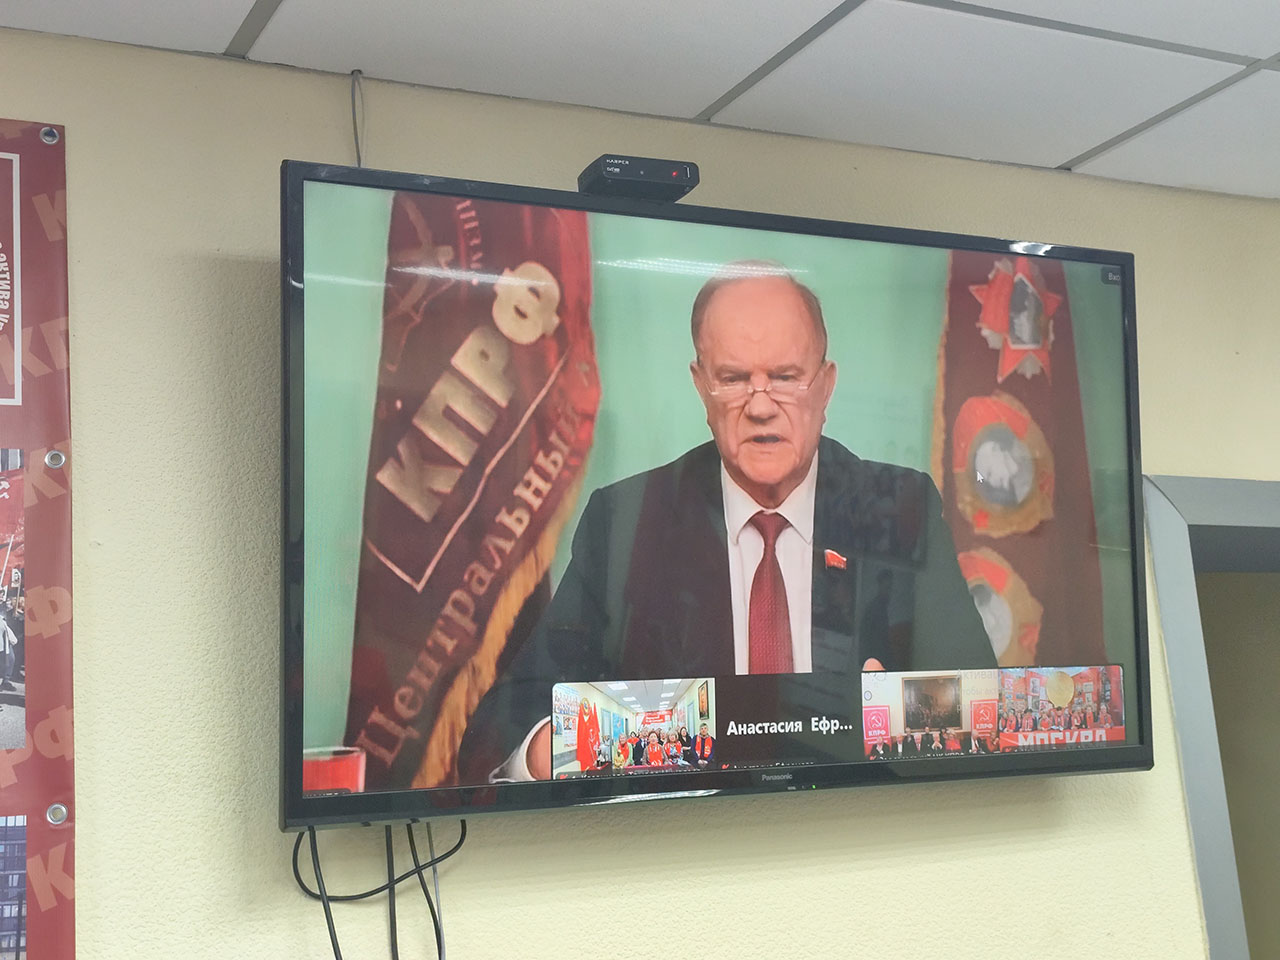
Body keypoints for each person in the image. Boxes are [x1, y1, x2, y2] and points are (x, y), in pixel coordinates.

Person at [476, 265, 994, 782]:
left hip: (857, 819)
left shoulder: (898, 508)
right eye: (733, 379)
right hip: (690, 826)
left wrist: (892, 718)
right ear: (701, 386)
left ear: (825, 386)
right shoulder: (628, 518)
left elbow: (989, 712)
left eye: (785, 378)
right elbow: (509, 722)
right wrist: (606, 740)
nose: (761, 406)